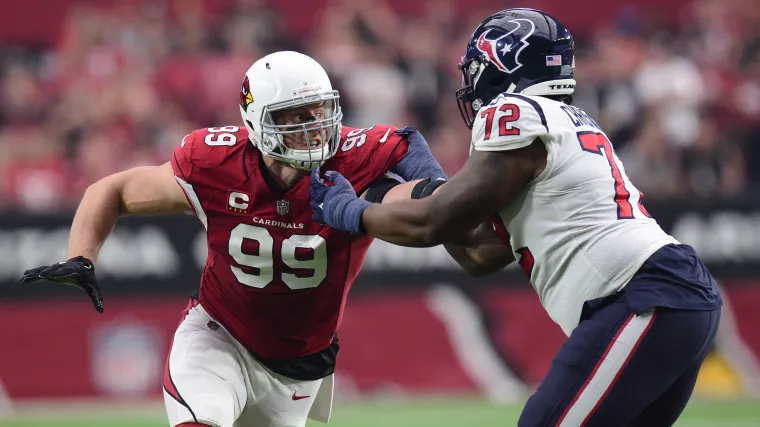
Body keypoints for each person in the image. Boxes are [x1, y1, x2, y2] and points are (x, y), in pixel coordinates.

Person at [309, 9, 723, 427]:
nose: (472, 86)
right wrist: (413, 187)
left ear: (506, 64)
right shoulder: (567, 124)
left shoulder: (513, 113)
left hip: (644, 296)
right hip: (674, 297)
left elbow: (432, 223)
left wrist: (351, 210)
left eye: (478, 71)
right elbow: (479, 254)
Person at [20, 51, 447, 427]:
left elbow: (409, 148)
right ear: (257, 121)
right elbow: (111, 190)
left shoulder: (354, 158)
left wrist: (434, 182)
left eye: (318, 112)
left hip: (299, 368)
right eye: (295, 117)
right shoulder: (216, 161)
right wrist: (81, 256)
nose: (313, 128)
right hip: (219, 335)